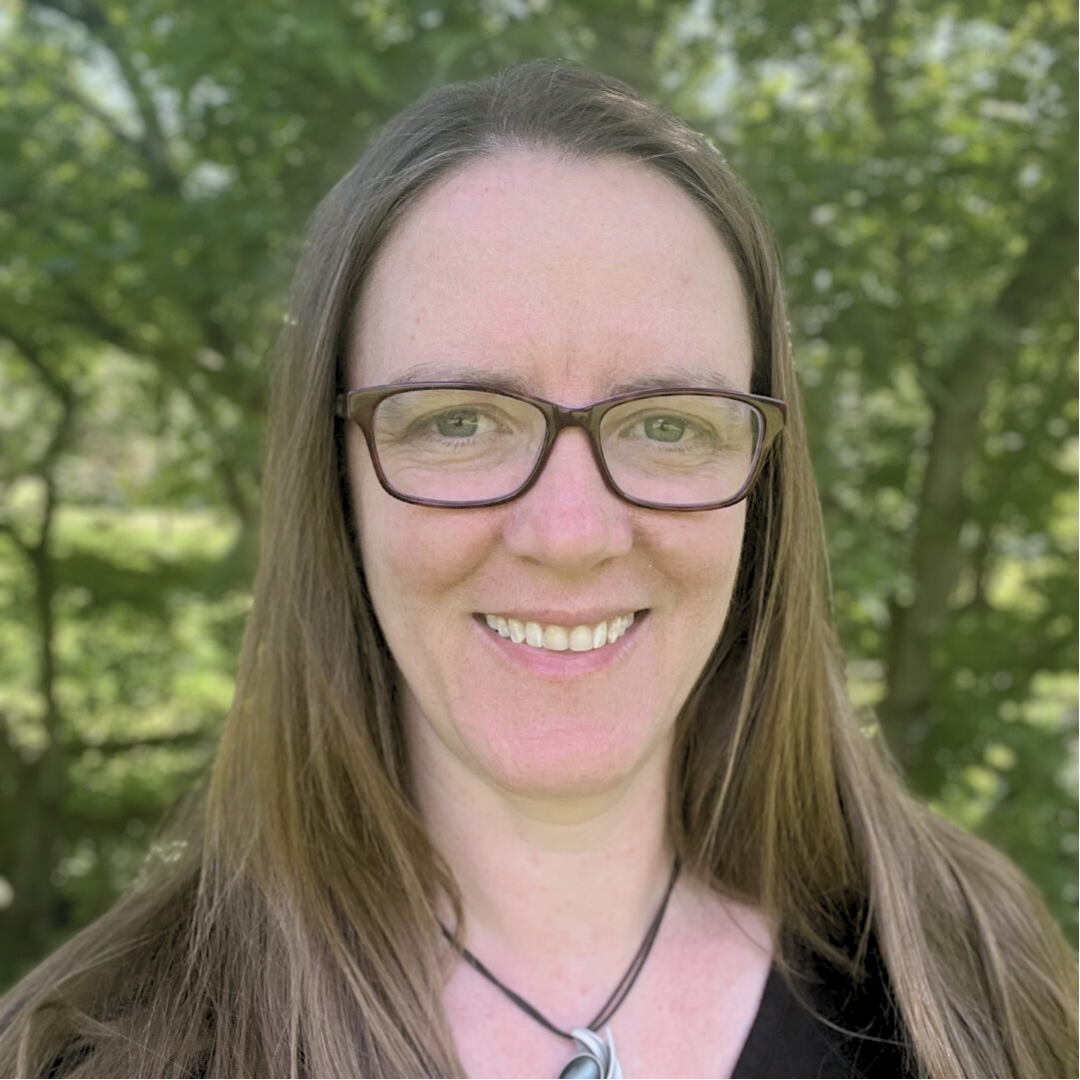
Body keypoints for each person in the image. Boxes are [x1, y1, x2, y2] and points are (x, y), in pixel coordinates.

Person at [0, 59, 1075, 1080]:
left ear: (764, 487)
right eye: (461, 420)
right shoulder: (97, 1051)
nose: (570, 534)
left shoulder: (970, 976)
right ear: (333, 487)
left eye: (667, 423)